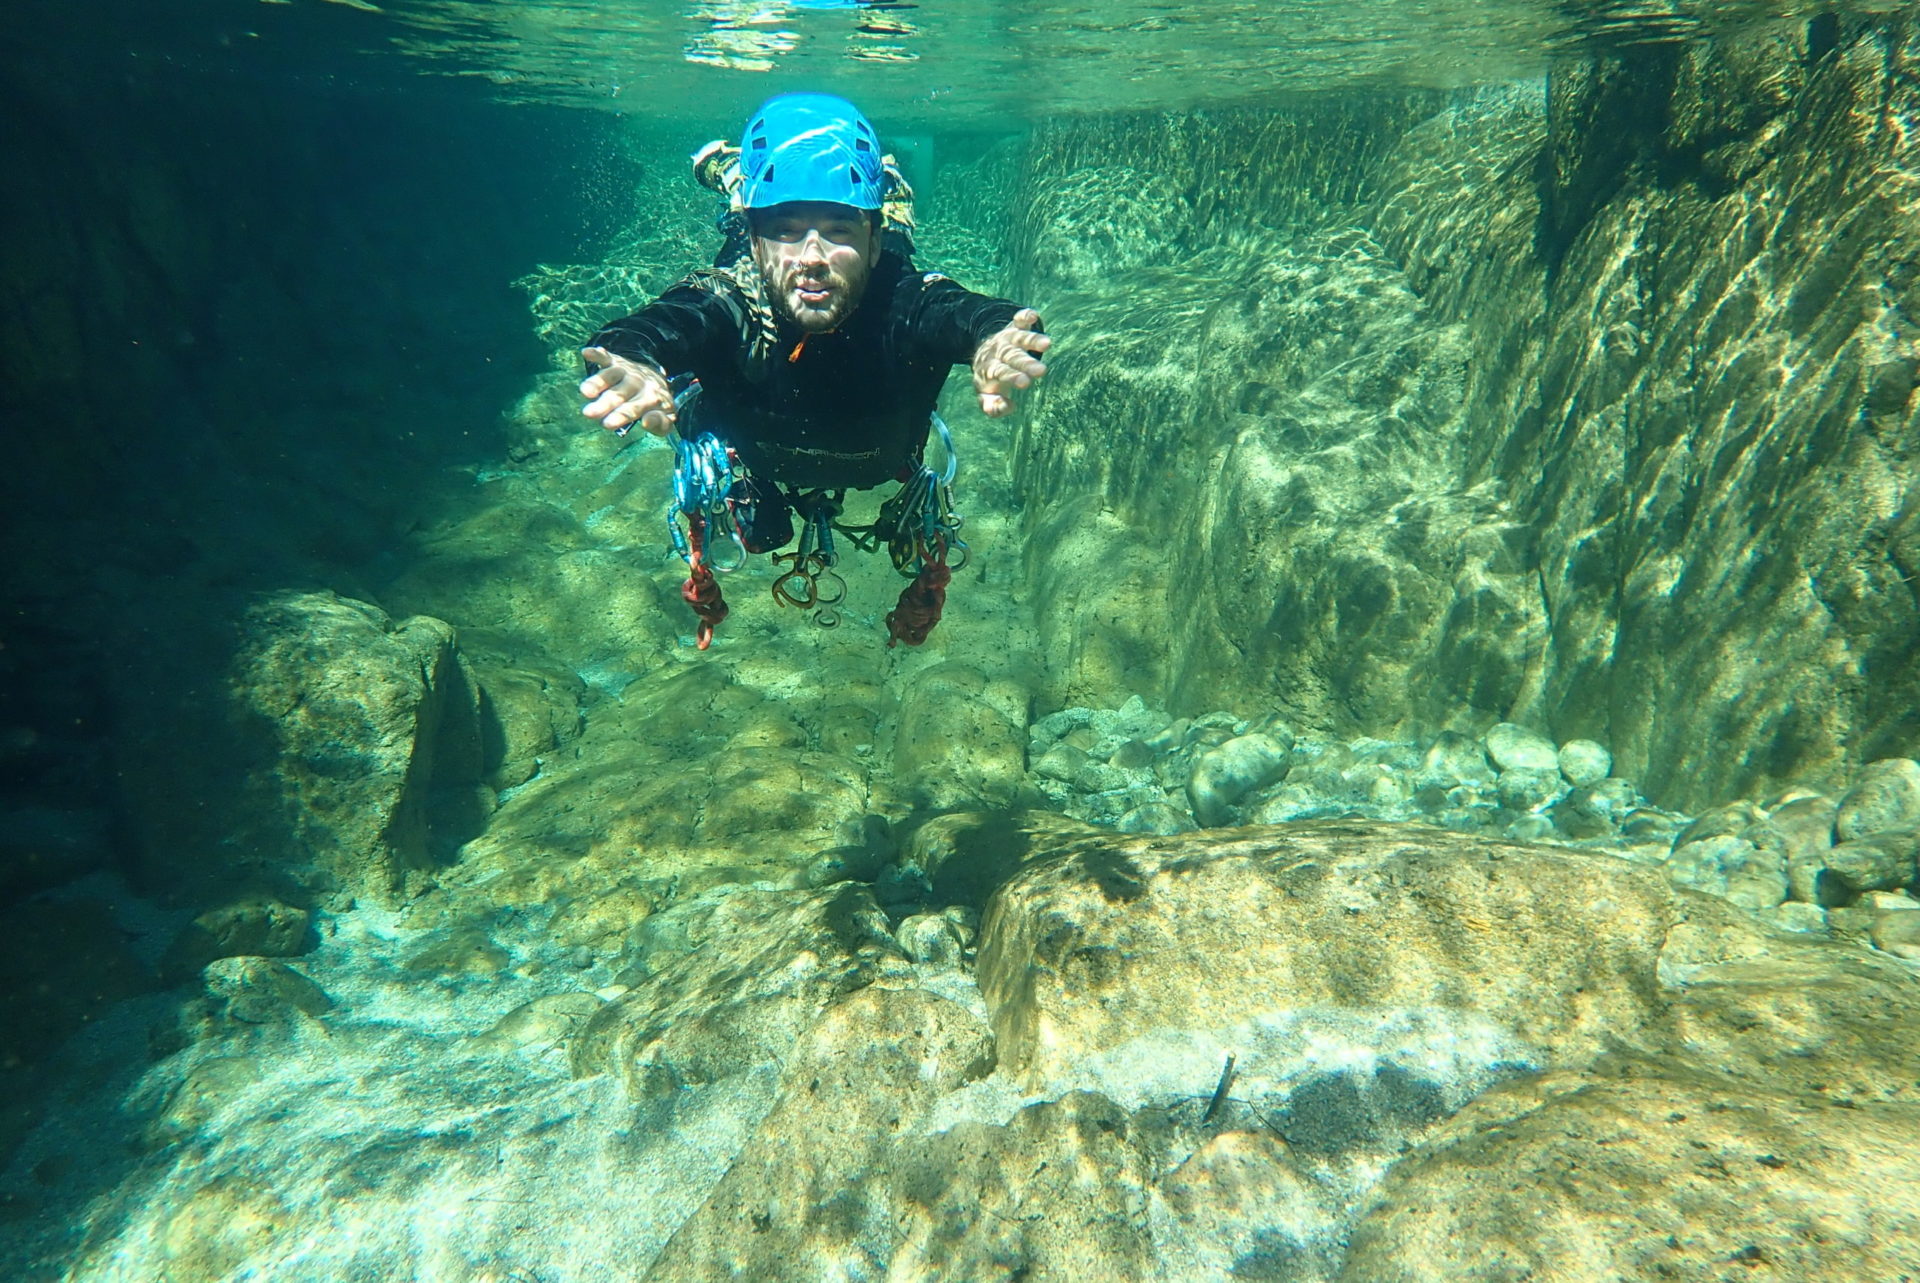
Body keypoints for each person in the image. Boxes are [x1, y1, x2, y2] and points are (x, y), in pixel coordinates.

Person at [578, 92, 1051, 648]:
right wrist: (630, 356)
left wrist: (995, 336)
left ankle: (880, 193)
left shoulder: (903, 300)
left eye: (840, 229)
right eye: (783, 229)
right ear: (755, 243)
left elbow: (964, 312)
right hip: (770, 391)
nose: (811, 256)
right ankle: (740, 181)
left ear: (872, 244)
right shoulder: (734, 300)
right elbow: (663, 322)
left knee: (889, 235)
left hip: (870, 279)